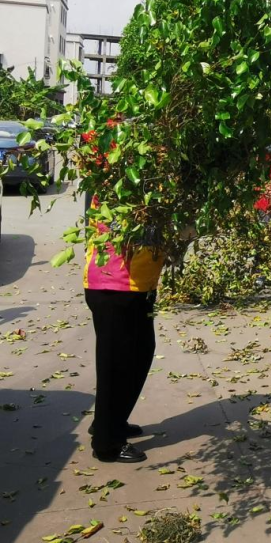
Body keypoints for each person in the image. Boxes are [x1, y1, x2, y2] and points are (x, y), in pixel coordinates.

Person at [83, 194, 167, 463]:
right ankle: (107, 444)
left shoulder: (151, 179)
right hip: (114, 284)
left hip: (139, 284)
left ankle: (111, 421)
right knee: (115, 364)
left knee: (140, 352)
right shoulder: (121, 182)